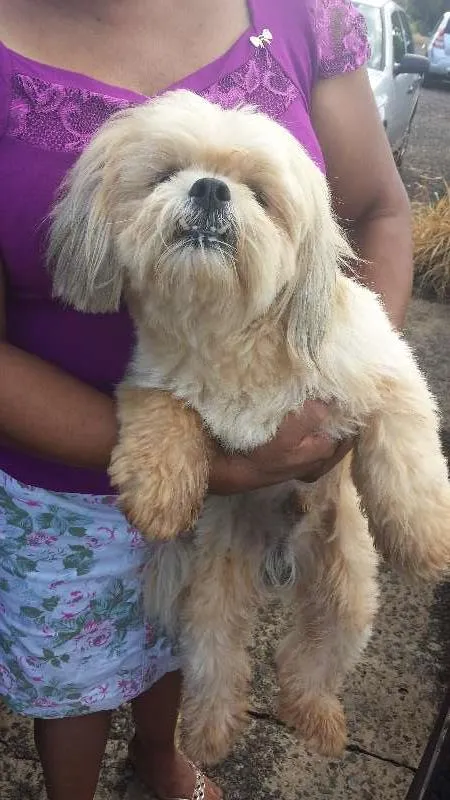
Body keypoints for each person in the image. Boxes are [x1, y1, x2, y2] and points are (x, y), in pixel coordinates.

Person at [0, 0, 413, 798]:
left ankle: (158, 759)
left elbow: (379, 211)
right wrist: (213, 467)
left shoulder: (301, 14)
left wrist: (342, 386)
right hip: (56, 484)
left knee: (183, 635)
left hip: (250, 446)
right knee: (70, 682)